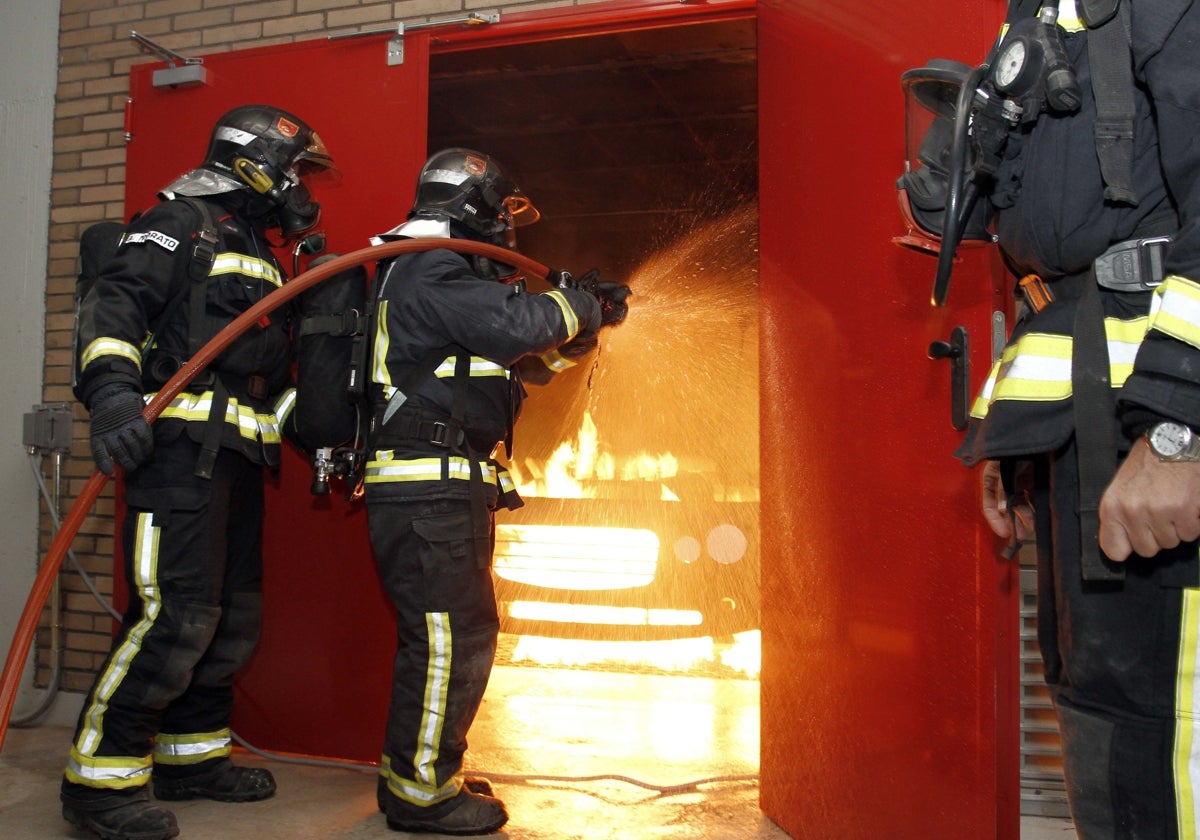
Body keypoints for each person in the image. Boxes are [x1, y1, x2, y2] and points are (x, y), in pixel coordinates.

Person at [936, 1, 1200, 836]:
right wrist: (1014, 443)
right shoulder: (1051, 17)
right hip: (1091, 421)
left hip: (1157, 428)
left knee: (1166, 727)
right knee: (1097, 701)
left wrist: (1179, 431)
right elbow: (1063, 280)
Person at [62, 104, 338, 840]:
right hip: (176, 455)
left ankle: (191, 758)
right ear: (256, 161)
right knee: (173, 616)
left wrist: (322, 438)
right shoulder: (181, 221)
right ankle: (101, 782)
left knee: (229, 618)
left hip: (240, 459)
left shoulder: (259, 248)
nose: (301, 186)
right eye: (297, 169)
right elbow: (113, 303)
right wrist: (114, 395)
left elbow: (261, 375)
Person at [363, 148, 629, 835]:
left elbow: (527, 361)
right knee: (451, 639)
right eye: (502, 210)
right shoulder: (430, 264)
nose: (509, 229)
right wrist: (575, 303)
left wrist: (585, 322)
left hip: (448, 482)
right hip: (429, 485)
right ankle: (422, 793)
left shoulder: (440, 276)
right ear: (472, 204)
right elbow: (520, 326)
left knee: (449, 634)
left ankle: (424, 775)